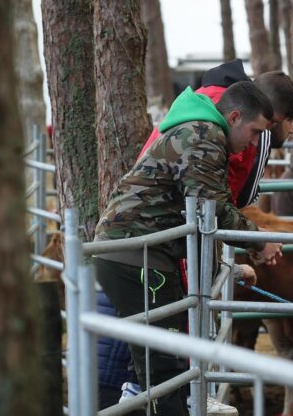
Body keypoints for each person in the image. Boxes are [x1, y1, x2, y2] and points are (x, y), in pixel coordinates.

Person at [94, 82, 283, 416]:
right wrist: (259, 240)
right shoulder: (205, 136)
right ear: (235, 117)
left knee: (162, 363)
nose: (253, 143)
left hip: (139, 253)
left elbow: (205, 210)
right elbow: (213, 209)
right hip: (140, 255)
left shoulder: (197, 130)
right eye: (254, 132)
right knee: (164, 364)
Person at [137, 61, 293, 208]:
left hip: (152, 216)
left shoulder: (209, 101)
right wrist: (257, 240)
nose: (290, 129)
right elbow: (222, 201)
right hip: (154, 222)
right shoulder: (223, 127)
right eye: (282, 121)